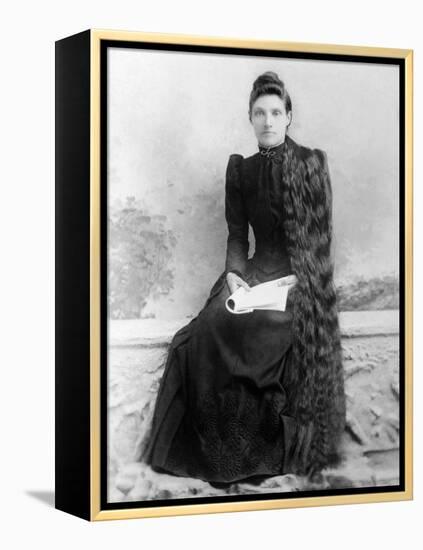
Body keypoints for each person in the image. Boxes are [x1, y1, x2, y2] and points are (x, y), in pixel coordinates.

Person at [144, 71, 346, 484]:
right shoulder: (241, 170)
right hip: (253, 275)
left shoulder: (311, 164)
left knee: (264, 334)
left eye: (276, 112)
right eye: (259, 113)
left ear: (289, 116)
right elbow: (237, 236)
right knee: (205, 331)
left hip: (298, 281)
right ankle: (211, 454)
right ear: (250, 119)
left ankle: (258, 454)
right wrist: (235, 275)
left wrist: (296, 280)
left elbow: (320, 239)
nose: (268, 121)